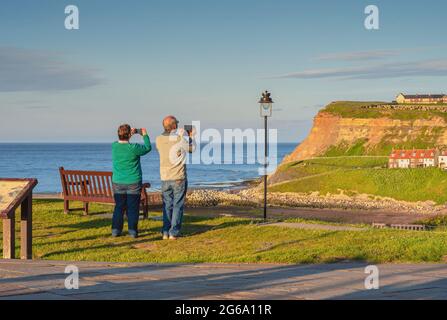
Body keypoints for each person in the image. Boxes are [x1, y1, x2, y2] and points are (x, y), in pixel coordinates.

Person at [156, 116, 195, 240]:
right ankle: (174, 232)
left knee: (167, 205)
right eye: (176, 124)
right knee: (178, 205)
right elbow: (192, 149)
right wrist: (190, 136)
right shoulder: (179, 139)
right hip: (178, 177)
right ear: (174, 126)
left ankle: (165, 232)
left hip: (164, 177)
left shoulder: (158, 139)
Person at [112, 124, 152, 238]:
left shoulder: (114, 146)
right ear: (129, 134)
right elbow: (148, 147)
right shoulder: (134, 147)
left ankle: (116, 230)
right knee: (133, 207)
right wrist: (144, 135)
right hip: (133, 181)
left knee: (119, 206)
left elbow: (122, 141)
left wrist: (129, 134)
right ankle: (132, 231)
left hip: (118, 181)